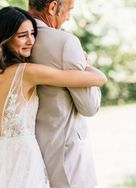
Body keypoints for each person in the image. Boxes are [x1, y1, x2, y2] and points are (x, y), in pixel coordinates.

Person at [0, 6, 106, 188]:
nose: (31, 41)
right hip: (25, 157)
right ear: (5, 38)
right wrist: (84, 62)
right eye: (22, 36)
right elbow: (98, 78)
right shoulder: (26, 73)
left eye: (32, 33)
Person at [28, 0, 102, 187]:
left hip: (28, 152)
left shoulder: (11, 37)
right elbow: (89, 106)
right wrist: (84, 64)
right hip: (67, 155)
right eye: (68, 10)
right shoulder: (65, 42)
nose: (68, 17)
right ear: (53, 7)